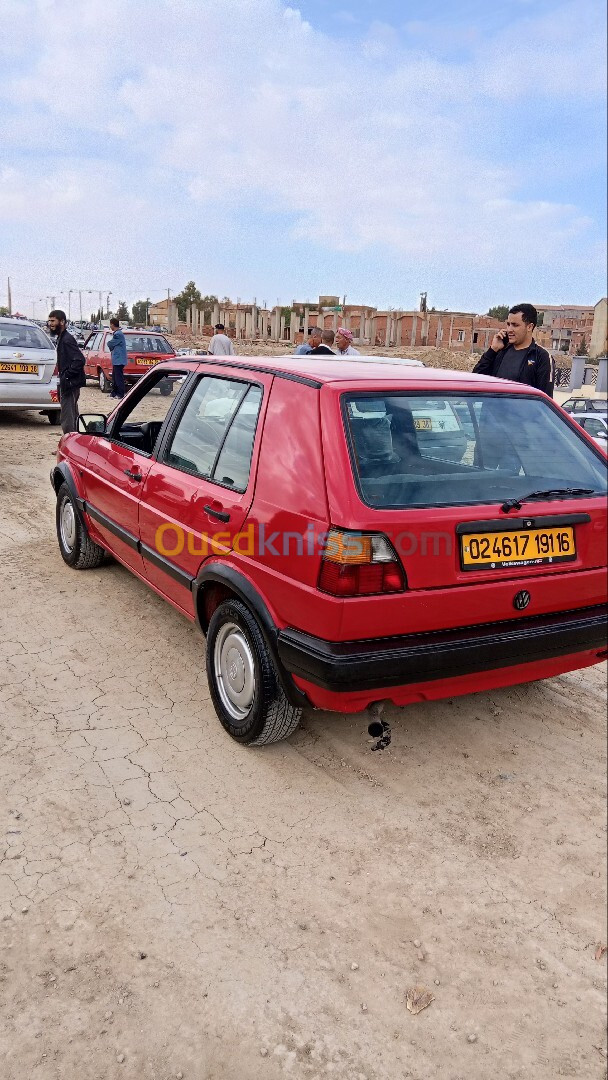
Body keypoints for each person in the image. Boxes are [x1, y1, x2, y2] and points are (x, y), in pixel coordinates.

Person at [473, 304, 552, 396]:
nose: (509, 329)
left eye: (515, 325)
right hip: (492, 410)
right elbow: (476, 378)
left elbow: (545, 397)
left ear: (529, 327)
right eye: (508, 324)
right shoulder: (500, 351)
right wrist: (493, 350)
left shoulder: (541, 356)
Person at [47, 309, 87, 433]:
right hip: (67, 383)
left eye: (53, 321)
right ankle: (74, 443)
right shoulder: (62, 338)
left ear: (62, 322)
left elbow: (79, 360)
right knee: (72, 415)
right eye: (49, 321)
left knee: (67, 417)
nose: (50, 324)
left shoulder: (67, 339)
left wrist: (66, 376)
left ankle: (69, 445)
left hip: (69, 384)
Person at [107, 317, 127, 398]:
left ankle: (120, 394)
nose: (110, 327)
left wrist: (109, 343)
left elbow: (110, 344)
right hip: (117, 360)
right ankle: (114, 393)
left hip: (119, 359)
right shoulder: (118, 333)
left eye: (110, 325)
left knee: (118, 378)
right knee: (115, 377)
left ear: (112, 324)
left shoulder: (118, 334)